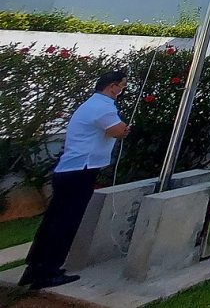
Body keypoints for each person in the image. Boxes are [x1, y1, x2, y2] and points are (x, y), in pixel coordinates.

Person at [19, 69, 131, 291]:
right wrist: (125, 130)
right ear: (112, 86)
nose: (121, 91)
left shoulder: (90, 104)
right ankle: (47, 272)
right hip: (81, 170)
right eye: (121, 86)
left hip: (69, 171)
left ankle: (35, 268)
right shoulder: (103, 106)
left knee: (53, 221)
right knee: (65, 222)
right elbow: (118, 130)